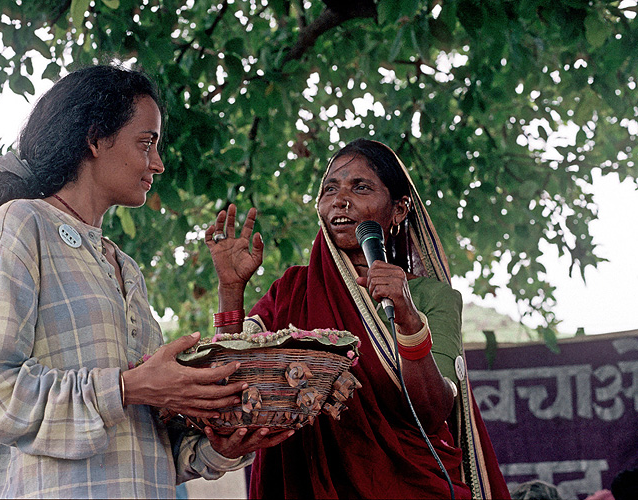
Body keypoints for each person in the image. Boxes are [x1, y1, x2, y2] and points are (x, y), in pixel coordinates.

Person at [0, 64, 292, 498]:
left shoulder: (125, 267)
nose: (159, 162)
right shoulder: (22, 224)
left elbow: (147, 442)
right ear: (94, 139)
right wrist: (127, 387)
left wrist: (219, 447)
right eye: (146, 142)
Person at [205, 139, 510, 498]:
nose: (340, 199)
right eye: (330, 189)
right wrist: (230, 290)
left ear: (398, 209)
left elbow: (433, 410)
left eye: (361, 187)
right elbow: (229, 386)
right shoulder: (292, 289)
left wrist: (409, 320)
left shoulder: (431, 298)